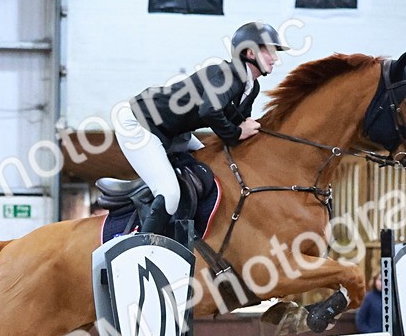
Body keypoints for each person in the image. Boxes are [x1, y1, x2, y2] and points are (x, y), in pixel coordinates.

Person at [112, 21, 290, 234]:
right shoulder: (225, 75)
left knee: (208, 162)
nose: (276, 59)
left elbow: (241, 123)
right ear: (251, 53)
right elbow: (210, 111)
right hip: (138, 123)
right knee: (169, 193)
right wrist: (236, 133)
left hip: (174, 132)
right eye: (270, 52)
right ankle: (140, 247)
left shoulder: (251, 87)